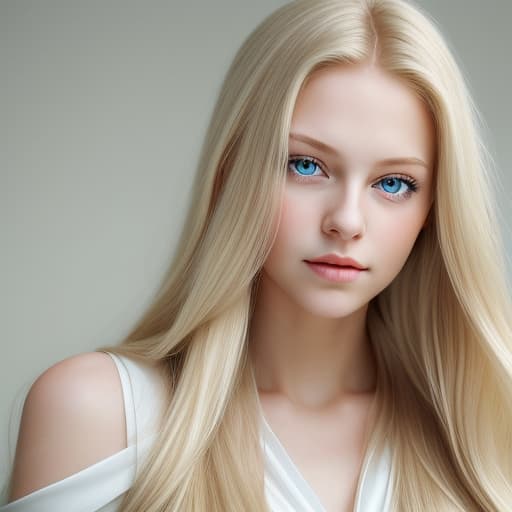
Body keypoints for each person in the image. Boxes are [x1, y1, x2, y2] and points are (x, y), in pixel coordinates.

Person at [2, 0, 512, 510]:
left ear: (434, 209)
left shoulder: (484, 438)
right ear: (232, 169)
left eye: (394, 182)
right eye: (306, 165)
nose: (347, 221)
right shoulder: (100, 416)